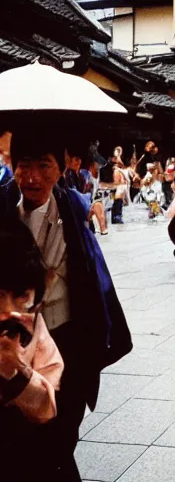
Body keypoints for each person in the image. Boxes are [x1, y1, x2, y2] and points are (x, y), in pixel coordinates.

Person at [0, 129, 133, 482]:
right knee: (22, 438)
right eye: (23, 165)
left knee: (61, 432)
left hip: (66, 338)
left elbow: (92, 276)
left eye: (44, 165)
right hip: (11, 340)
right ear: (11, 165)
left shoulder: (72, 206)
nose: (32, 177)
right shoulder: (0, 206)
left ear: (61, 169)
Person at [0, 220, 66, 481]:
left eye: (21, 296)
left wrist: (16, 370)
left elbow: (46, 410)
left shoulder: (32, 324)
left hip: (24, 453)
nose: (8, 309)